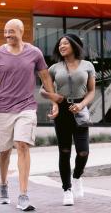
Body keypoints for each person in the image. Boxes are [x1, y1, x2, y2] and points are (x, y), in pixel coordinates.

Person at [0, 19, 62, 211]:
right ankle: (3, 184)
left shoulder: (34, 53)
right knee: (4, 152)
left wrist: (53, 101)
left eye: (11, 31)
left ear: (21, 31)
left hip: (27, 107)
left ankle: (23, 195)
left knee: (23, 145)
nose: (7, 35)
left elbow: (45, 78)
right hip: (4, 108)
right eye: (5, 32)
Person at [41, 34, 96, 206]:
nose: (61, 46)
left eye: (65, 43)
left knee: (83, 152)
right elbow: (43, 90)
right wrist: (55, 99)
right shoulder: (54, 68)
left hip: (80, 110)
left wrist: (81, 105)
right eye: (60, 44)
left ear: (74, 45)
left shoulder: (87, 66)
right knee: (64, 151)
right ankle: (67, 190)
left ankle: (77, 176)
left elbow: (92, 91)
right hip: (63, 111)